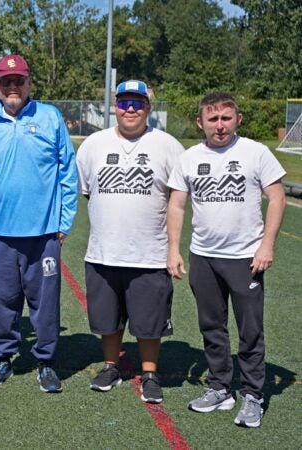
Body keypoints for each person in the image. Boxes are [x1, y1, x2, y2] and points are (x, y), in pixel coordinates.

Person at [167, 92, 286, 428]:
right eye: (212, 119)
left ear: (238, 119)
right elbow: (177, 205)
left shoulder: (255, 152)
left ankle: (252, 395)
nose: (219, 126)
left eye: (225, 118)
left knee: (250, 331)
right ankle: (220, 387)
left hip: (246, 258)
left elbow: (276, 199)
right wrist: (174, 249)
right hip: (204, 257)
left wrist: (267, 245)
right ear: (200, 122)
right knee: (211, 327)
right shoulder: (189, 157)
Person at [0, 54, 78, 392]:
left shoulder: (50, 116)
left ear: (29, 82)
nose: (13, 86)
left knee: (44, 303)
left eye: (19, 80)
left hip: (43, 233)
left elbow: (67, 172)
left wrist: (64, 221)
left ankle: (45, 362)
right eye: (6, 81)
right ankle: (2, 357)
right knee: (1, 301)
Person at [76, 80, 184, 404]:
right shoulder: (93, 145)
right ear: (115, 106)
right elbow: (85, 191)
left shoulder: (168, 145)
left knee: (149, 322)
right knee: (108, 319)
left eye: (138, 103)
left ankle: (150, 372)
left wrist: (174, 249)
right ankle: (111, 366)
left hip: (149, 252)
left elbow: (177, 197)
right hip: (103, 251)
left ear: (148, 107)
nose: (131, 109)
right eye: (124, 103)